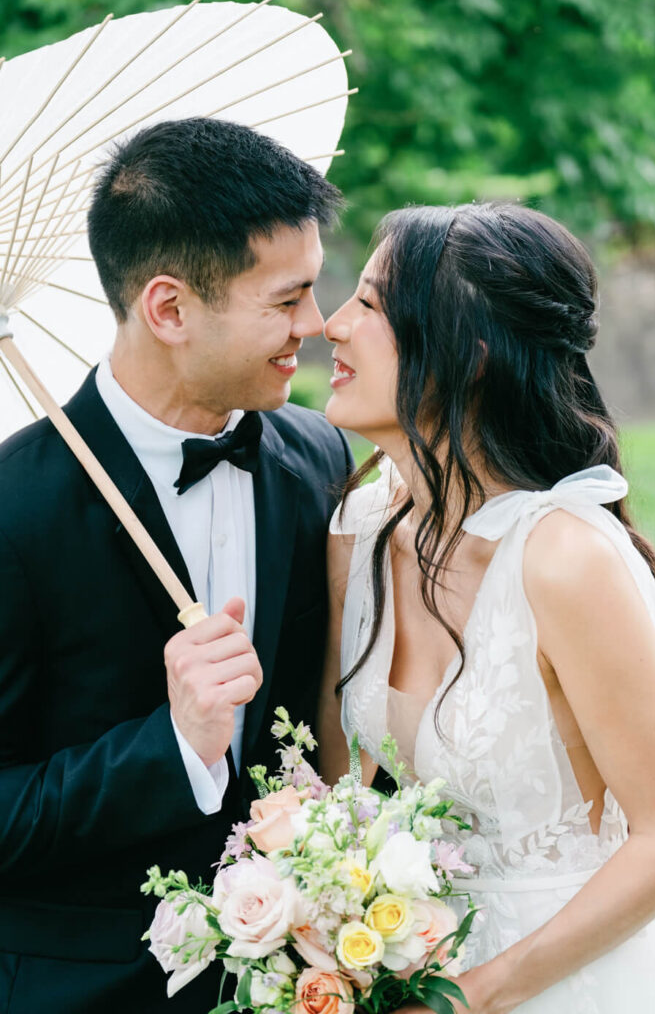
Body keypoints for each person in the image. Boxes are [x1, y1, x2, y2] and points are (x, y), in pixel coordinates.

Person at [0, 117, 353, 1013]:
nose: (317, 325)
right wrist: (175, 745)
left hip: (304, 979)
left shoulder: (319, 459)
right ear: (169, 308)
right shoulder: (13, 508)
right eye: (287, 300)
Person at [319, 202, 655, 1012]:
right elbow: (339, 791)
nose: (332, 323)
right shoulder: (363, 525)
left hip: (578, 979)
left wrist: (470, 997)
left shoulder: (565, 561)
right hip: (412, 967)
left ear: (469, 353)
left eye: (371, 305)